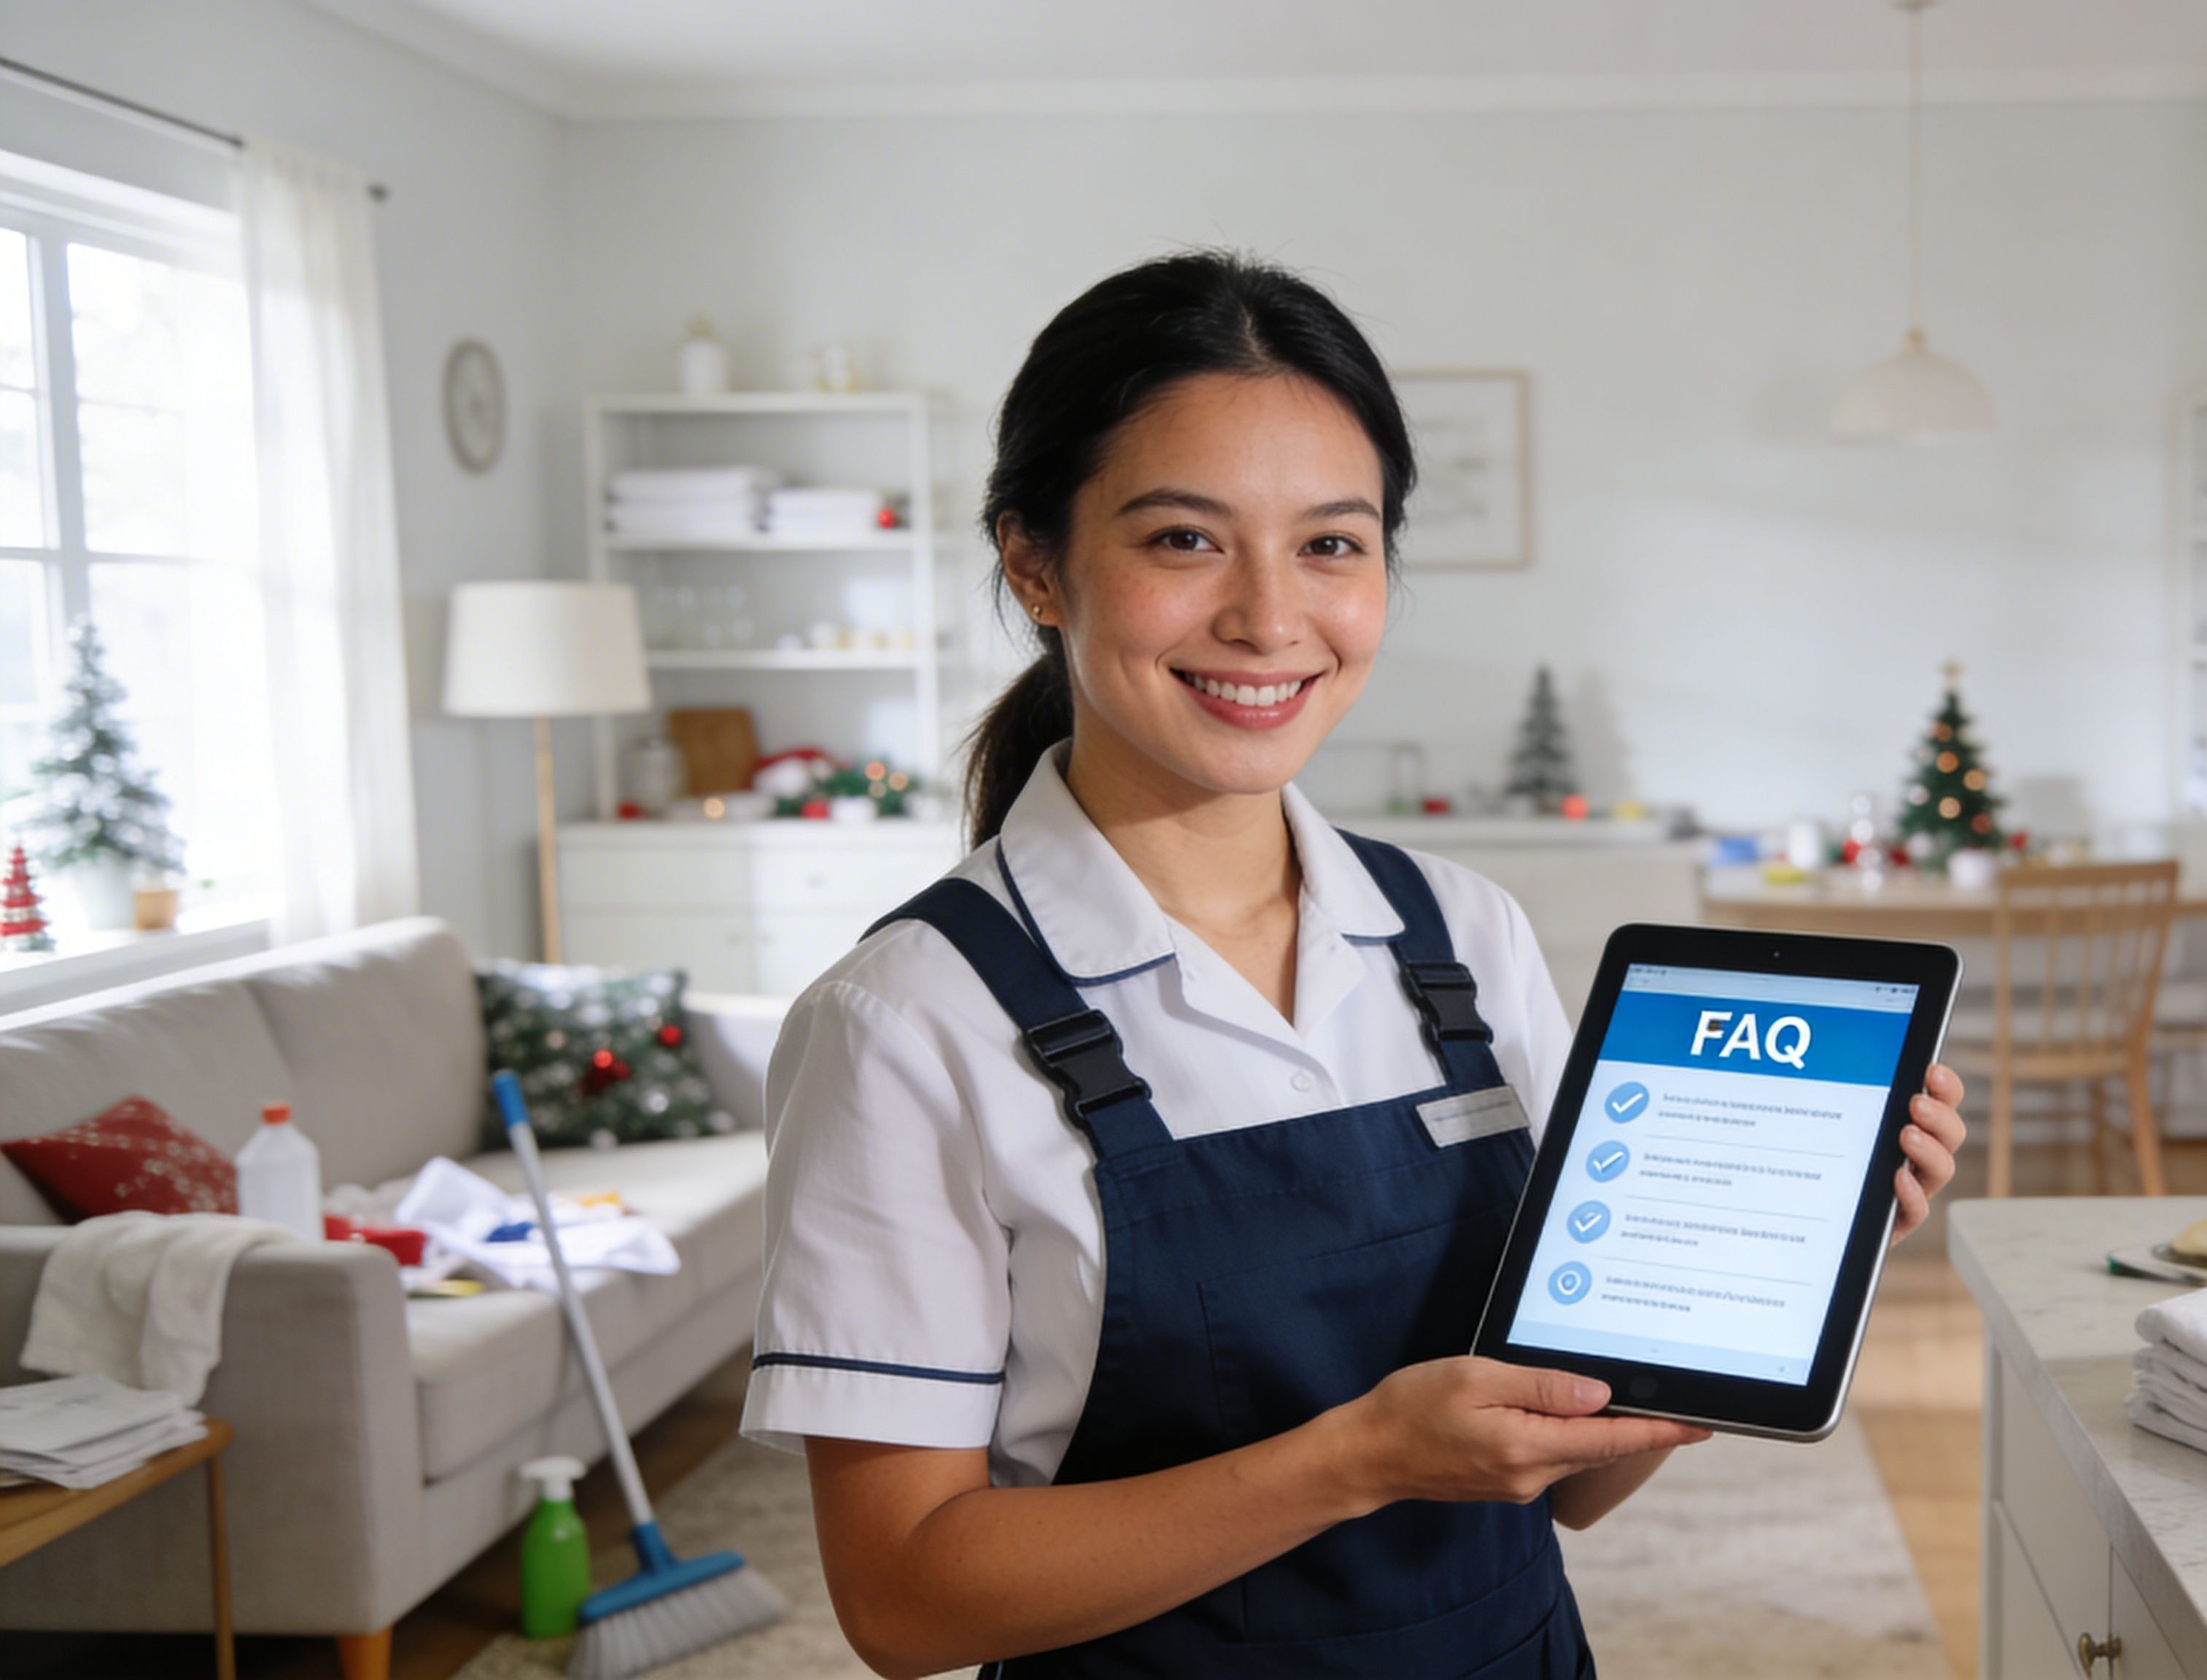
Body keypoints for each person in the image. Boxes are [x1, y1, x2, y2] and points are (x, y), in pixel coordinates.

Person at [744, 251, 1969, 1679]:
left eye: (1331, 543)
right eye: (1183, 540)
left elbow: (1567, 1484)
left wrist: (1767, 1276)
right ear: (1035, 564)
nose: (1271, 620)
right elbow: (904, 1599)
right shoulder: (908, 1022)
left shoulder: (1460, 937)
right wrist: (1357, 1460)